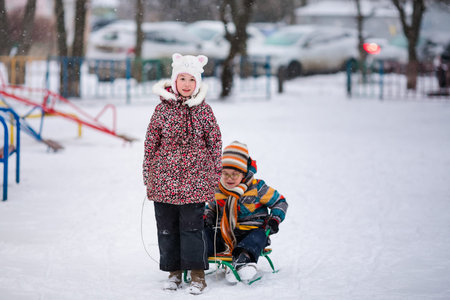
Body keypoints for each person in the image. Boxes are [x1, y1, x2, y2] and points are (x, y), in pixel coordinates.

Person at [143, 53, 222, 294]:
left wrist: (214, 173)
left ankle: (197, 273)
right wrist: (148, 173)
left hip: (195, 180)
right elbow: (150, 143)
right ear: (174, 81)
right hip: (164, 180)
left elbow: (215, 143)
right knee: (167, 229)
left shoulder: (204, 111)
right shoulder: (161, 110)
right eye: (182, 79)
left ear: (197, 83)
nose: (186, 84)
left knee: (192, 229)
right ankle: (174, 272)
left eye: (191, 80)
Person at [204, 141, 288, 282]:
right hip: (224, 234)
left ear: (243, 173)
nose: (229, 178)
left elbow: (280, 202)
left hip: (251, 232)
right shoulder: (217, 189)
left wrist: (274, 219)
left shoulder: (257, 188)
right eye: (225, 174)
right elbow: (211, 207)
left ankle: (243, 261)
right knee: (203, 234)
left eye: (234, 174)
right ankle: (194, 258)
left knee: (258, 236)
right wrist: (208, 216)